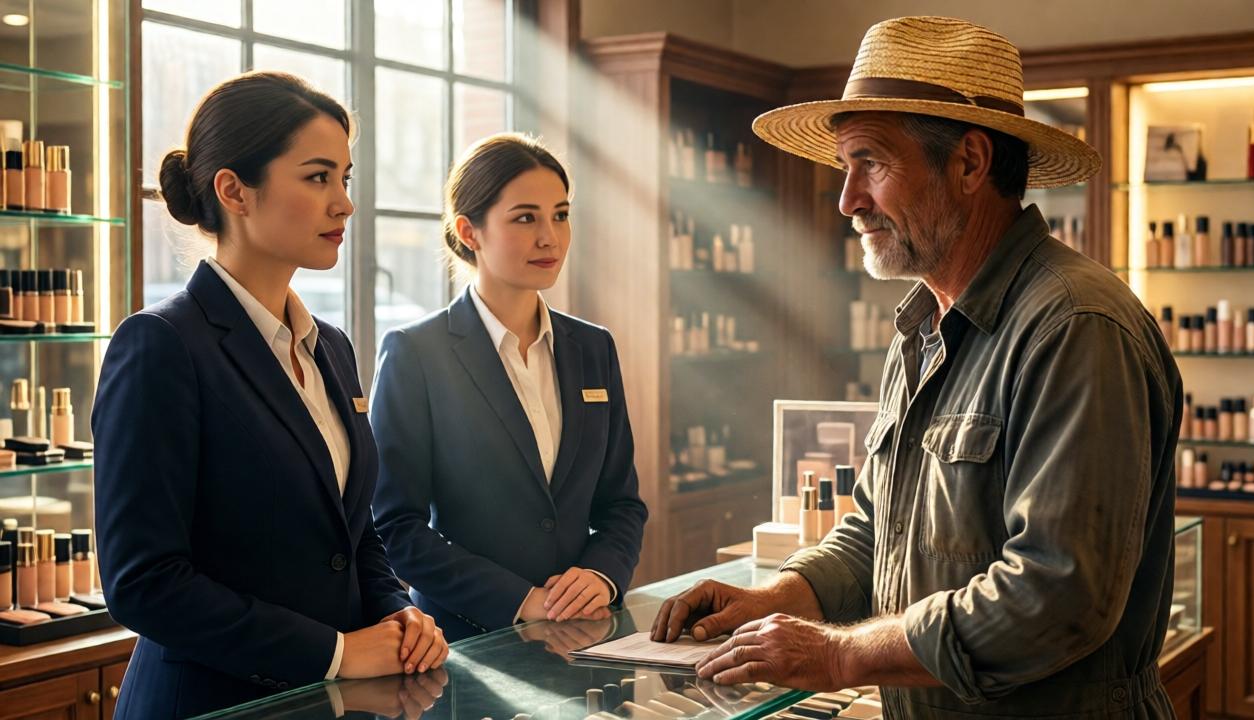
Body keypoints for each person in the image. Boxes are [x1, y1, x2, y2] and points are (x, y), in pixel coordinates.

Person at [650, 16, 1182, 718]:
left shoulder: (1075, 327)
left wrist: (838, 654)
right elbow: (878, 529)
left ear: (969, 162)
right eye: (845, 168)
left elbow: (1057, 597)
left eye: (870, 162)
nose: (848, 200)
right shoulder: (921, 329)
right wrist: (782, 596)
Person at [93, 71, 447, 719]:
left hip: (331, 702)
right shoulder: (161, 345)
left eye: (345, 178)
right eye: (317, 178)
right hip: (207, 703)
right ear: (234, 190)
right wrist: (335, 654)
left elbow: (353, 529)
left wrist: (400, 614)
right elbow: (143, 583)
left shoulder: (330, 348)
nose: (343, 203)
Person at [371, 132, 648, 641]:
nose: (551, 237)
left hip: (584, 635)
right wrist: (520, 601)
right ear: (469, 231)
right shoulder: (416, 352)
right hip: (465, 644)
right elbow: (396, 527)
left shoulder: (594, 348)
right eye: (526, 218)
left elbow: (622, 505)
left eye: (561, 215)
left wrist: (602, 576)